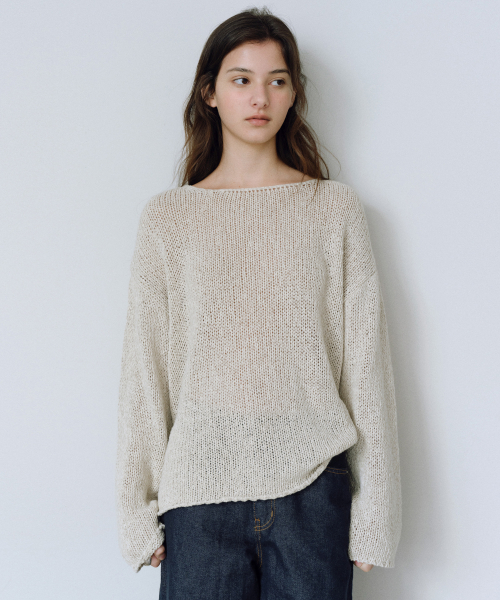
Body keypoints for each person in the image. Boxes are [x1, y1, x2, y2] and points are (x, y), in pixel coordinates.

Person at [115, 6, 402, 599]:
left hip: (312, 492)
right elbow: (145, 371)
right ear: (210, 92)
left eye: (277, 80)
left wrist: (376, 512)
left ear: (294, 93)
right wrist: (135, 510)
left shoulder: (334, 210)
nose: (260, 97)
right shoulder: (169, 220)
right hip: (197, 499)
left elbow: (366, 364)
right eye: (241, 79)